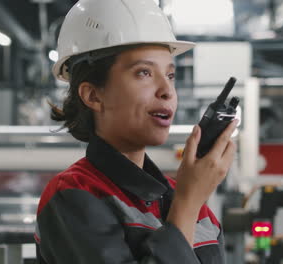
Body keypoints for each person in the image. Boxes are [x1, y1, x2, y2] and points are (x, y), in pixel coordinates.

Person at [35, 0, 237, 263]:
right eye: (144, 72)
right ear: (93, 95)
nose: (167, 90)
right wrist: (187, 205)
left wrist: (188, 199)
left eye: (170, 75)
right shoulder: (73, 195)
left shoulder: (188, 199)